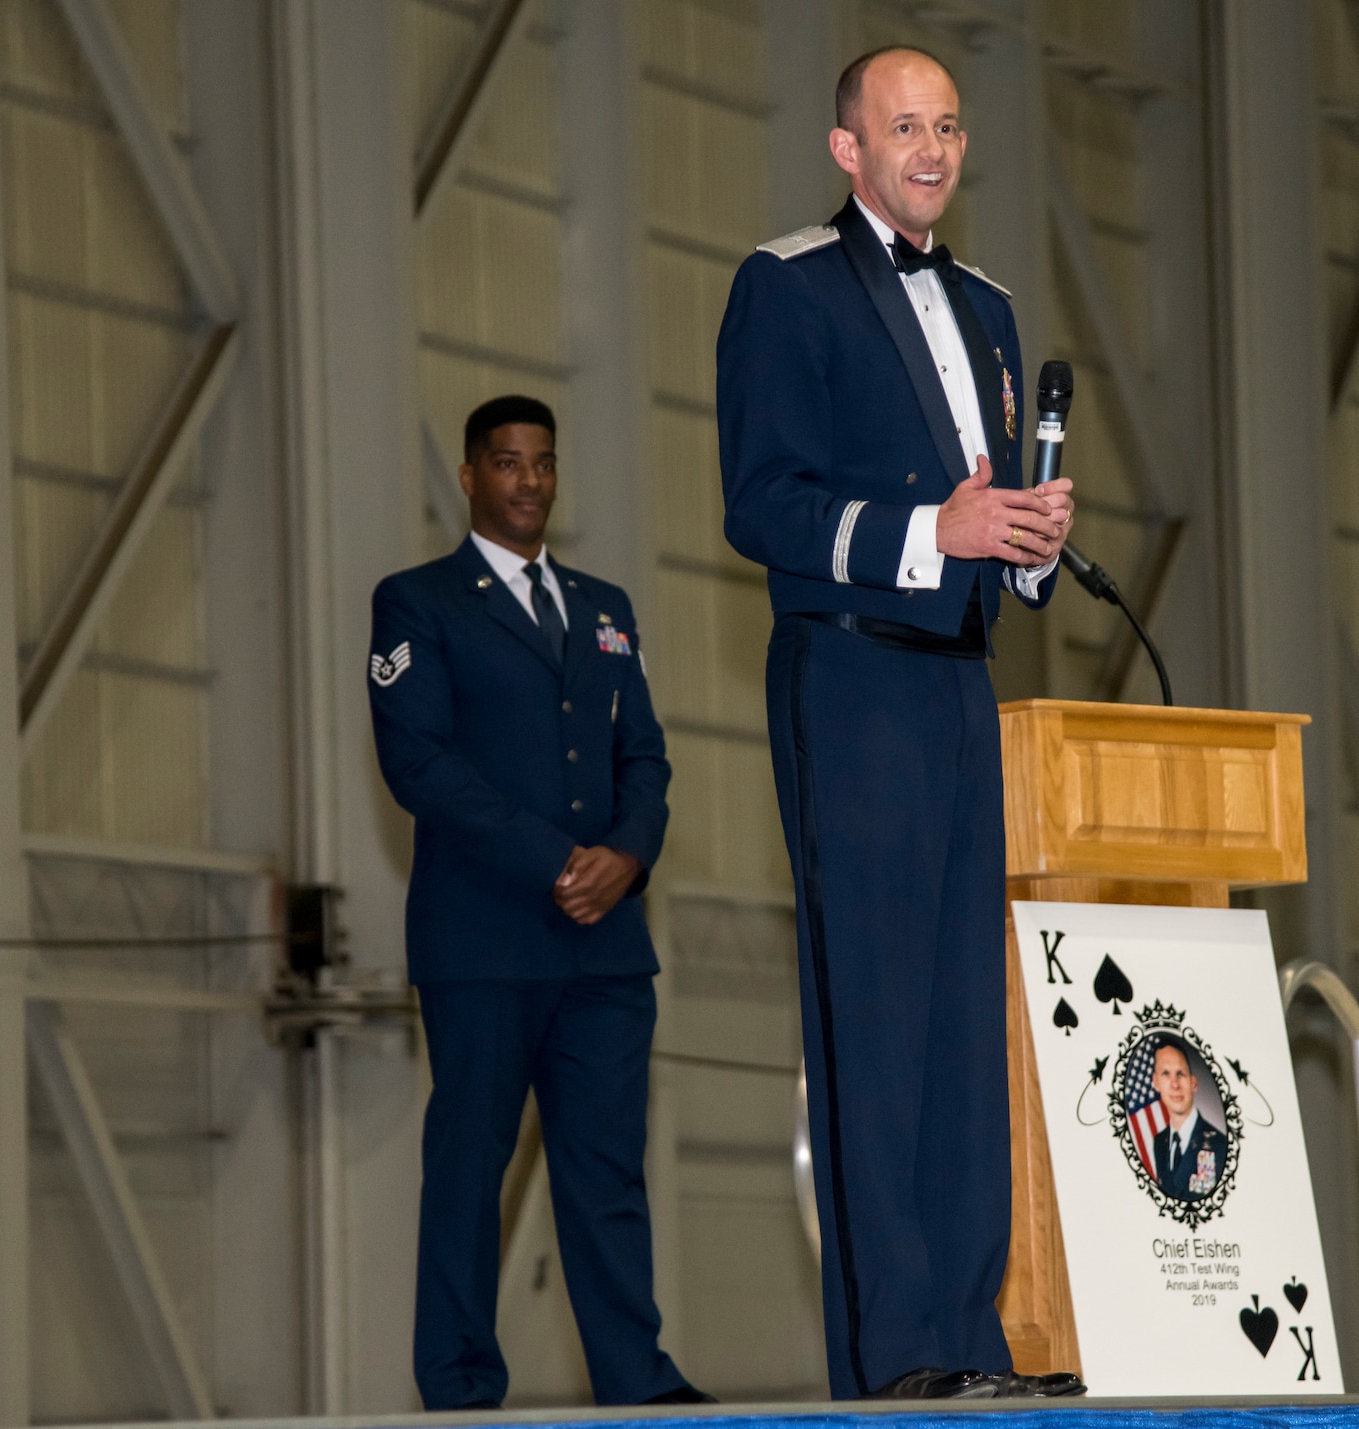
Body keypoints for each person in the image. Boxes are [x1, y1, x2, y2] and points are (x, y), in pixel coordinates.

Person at [716, 46, 1083, 1401]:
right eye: (902, 125)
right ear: (846, 149)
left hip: (957, 680)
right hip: (850, 674)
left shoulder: (986, 306)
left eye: (947, 126)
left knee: (956, 1024)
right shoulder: (786, 286)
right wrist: (940, 529)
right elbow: (760, 502)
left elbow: (993, 529)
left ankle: (973, 1337)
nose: (931, 147)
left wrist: (1029, 540)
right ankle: (898, 1354)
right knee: (871, 1016)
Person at [367, 395, 710, 1410]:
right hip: (484, 941)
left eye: (543, 463)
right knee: (469, 1170)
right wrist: (559, 859)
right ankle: (461, 1384)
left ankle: (633, 1382)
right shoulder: (416, 601)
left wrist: (628, 859)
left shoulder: (605, 608)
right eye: (507, 463)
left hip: (605, 951)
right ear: (469, 477)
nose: (528, 481)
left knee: (606, 1178)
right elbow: (416, 760)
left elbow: (644, 755)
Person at [1150, 1039, 1230, 1203]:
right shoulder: (1160, 1142)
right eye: (1166, 1074)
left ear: (1193, 1083)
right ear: (1156, 1083)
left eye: (1181, 1074)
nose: (1175, 1085)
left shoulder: (1219, 1145)